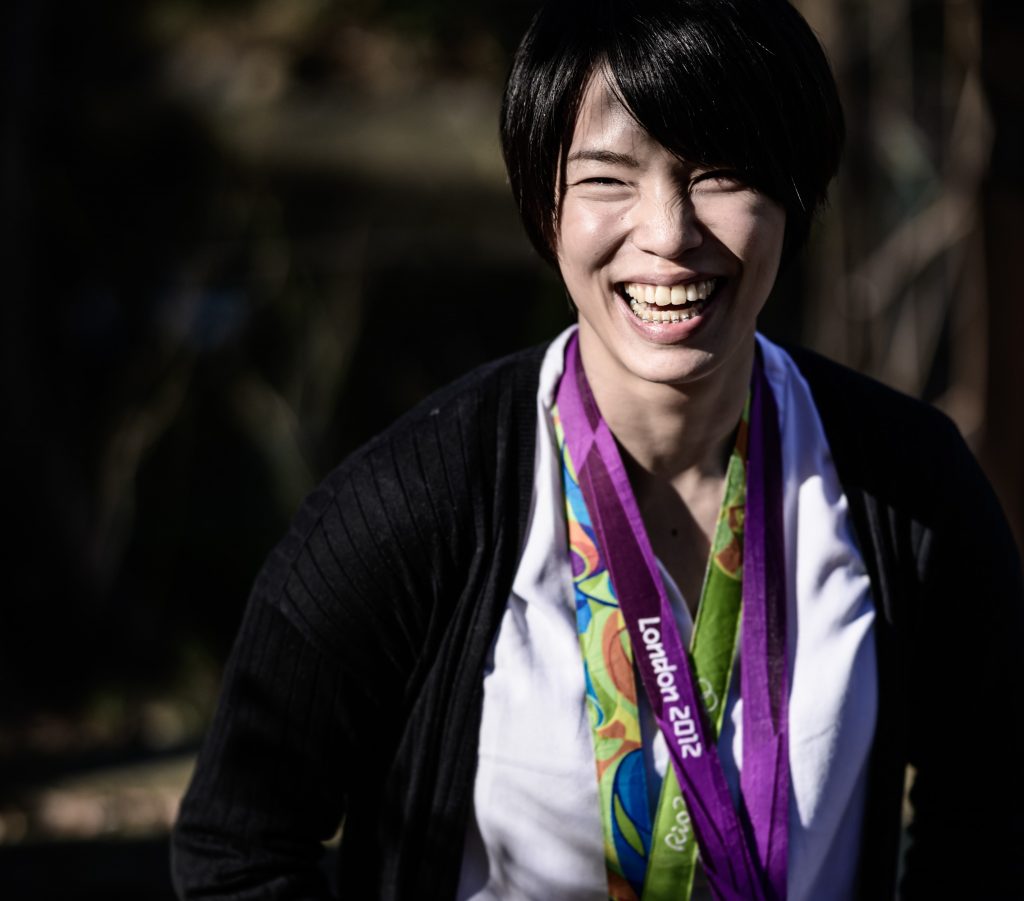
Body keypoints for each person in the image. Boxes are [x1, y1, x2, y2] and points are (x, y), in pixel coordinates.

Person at [171, 1, 1024, 899]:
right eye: (610, 179)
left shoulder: (908, 486)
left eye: (721, 173)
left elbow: (993, 809)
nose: (669, 235)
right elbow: (239, 846)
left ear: (794, 191)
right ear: (546, 203)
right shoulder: (415, 503)